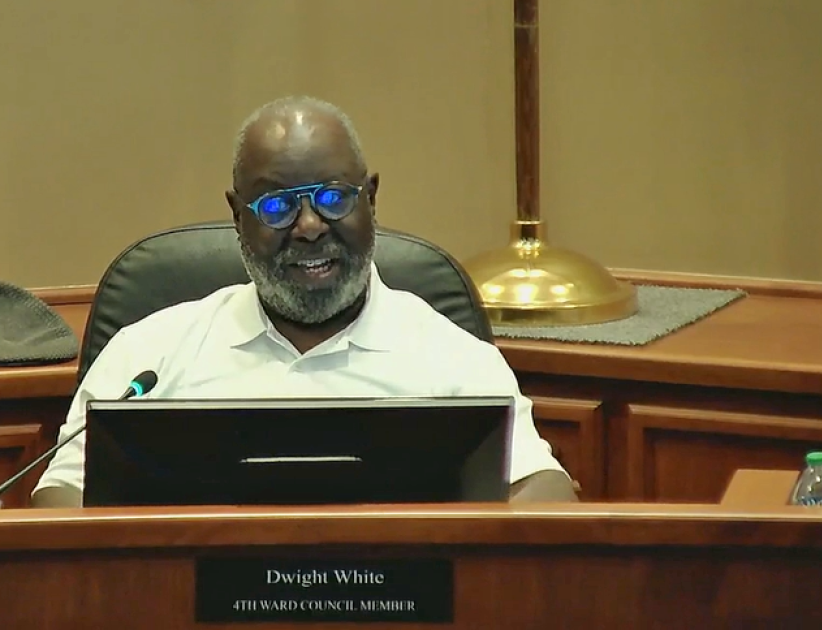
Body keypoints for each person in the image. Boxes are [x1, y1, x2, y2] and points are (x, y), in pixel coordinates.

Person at [31, 96, 576, 508]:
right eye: (277, 207)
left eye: (334, 198)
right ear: (237, 216)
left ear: (373, 201)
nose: (311, 227)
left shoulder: (454, 357)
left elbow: (545, 489)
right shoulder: (147, 359)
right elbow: (59, 499)